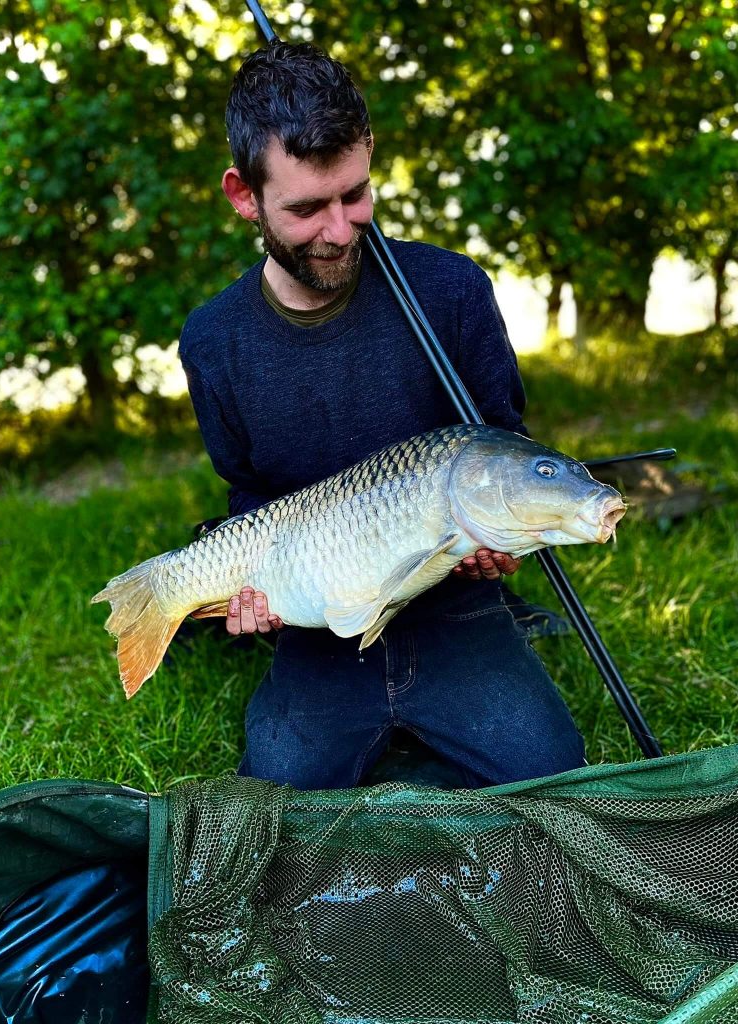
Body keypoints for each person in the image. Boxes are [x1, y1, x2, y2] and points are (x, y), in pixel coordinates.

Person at [178, 40, 585, 790]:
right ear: (244, 195)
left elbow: (502, 448)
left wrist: (505, 543)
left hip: (453, 607)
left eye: (355, 195)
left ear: (369, 154)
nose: (340, 230)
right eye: (306, 208)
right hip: (320, 624)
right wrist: (253, 594)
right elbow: (247, 494)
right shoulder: (213, 341)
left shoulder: (453, 292)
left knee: (553, 782)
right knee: (277, 795)